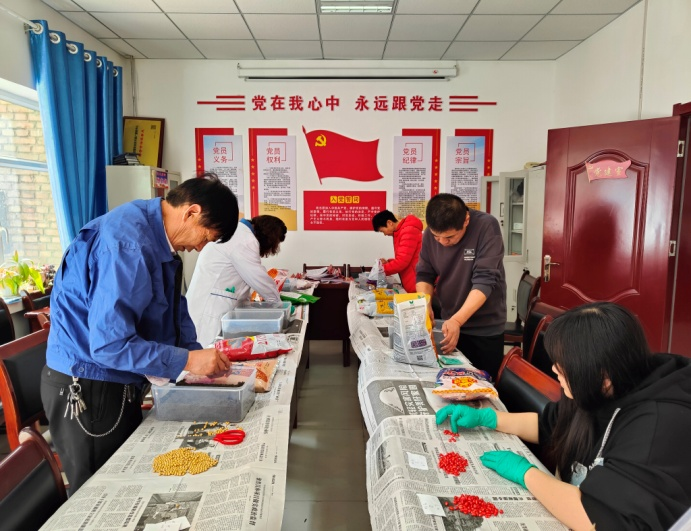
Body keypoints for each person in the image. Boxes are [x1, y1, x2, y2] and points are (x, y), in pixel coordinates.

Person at [40, 173, 238, 492]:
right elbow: (110, 345)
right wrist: (187, 360)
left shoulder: (154, 234)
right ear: (191, 212)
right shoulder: (128, 245)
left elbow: (172, 309)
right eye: (205, 237)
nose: (200, 248)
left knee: (127, 480)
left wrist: (193, 355)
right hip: (89, 387)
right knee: (99, 493)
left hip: (117, 380)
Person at [436, 302, 691, 530]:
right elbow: (549, 425)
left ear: (603, 375)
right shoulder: (598, 386)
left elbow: (603, 520)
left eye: (564, 365)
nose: (554, 368)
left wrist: (526, 474)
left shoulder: (657, 426)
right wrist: (487, 418)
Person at [415, 193, 506, 379]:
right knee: (448, 382)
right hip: (449, 323)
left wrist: (457, 320)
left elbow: (485, 279)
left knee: (483, 384)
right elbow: (425, 273)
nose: (443, 242)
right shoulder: (430, 234)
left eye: (449, 237)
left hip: (483, 328)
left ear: (466, 220)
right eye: (437, 237)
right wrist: (425, 303)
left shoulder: (486, 226)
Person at [186, 215, 287, 347]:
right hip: (208, 313)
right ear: (270, 237)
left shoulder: (237, 232)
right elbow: (261, 280)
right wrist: (278, 307)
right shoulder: (244, 240)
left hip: (207, 306)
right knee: (204, 350)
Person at [371, 210, 423, 294]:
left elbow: (402, 262)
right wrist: (388, 263)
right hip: (413, 279)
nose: (385, 234)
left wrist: (380, 270)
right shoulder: (401, 231)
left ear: (389, 223)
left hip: (418, 280)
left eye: (382, 231)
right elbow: (406, 258)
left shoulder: (408, 231)